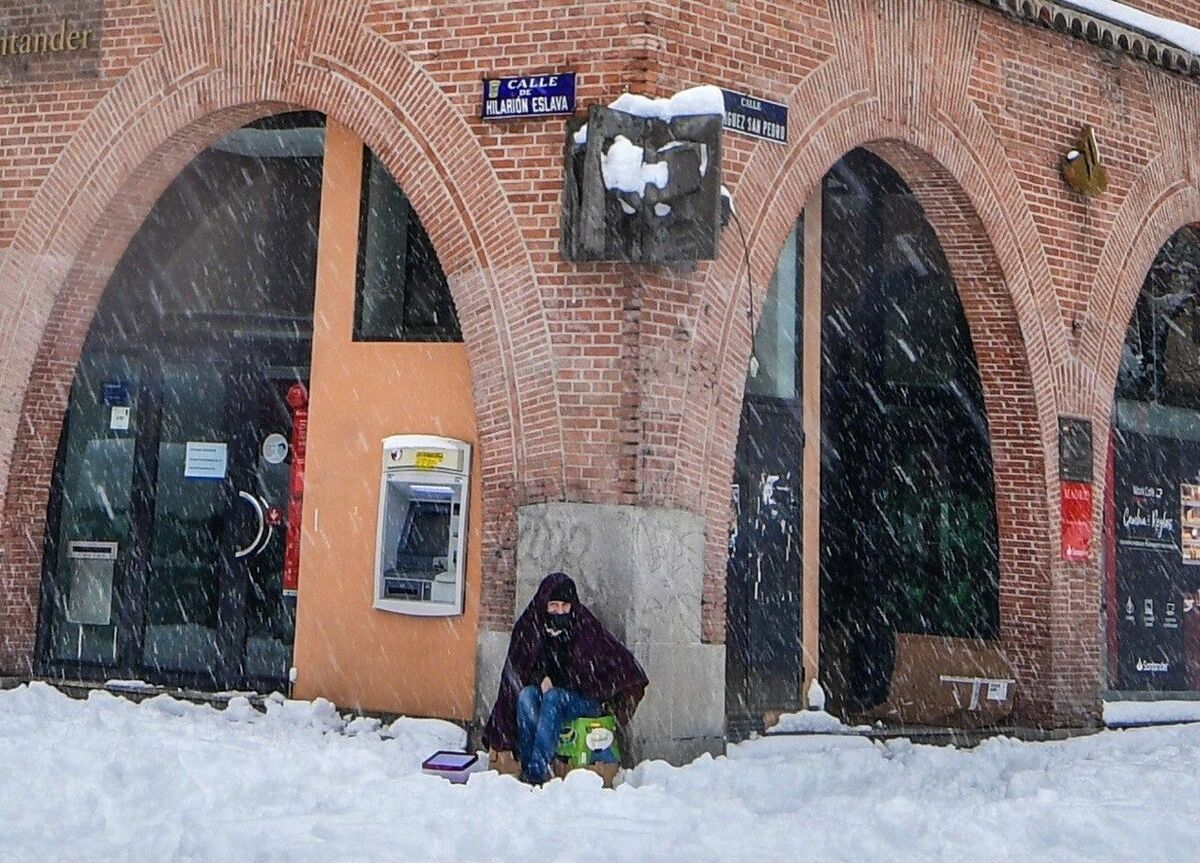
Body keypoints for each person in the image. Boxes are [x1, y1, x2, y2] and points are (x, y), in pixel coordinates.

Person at [483, 572, 648, 784]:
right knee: (526, 695)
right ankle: (530, 762)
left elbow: (599, 669)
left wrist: (566, 684)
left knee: (554, 698)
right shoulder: (531, 626)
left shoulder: (584, 626)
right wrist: (540, 677)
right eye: (554, 605)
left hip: (585, 698)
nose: (560, 611)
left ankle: (535, 773)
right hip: (548, 694)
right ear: (544, 604)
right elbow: (520, 666)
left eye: (565, 606)